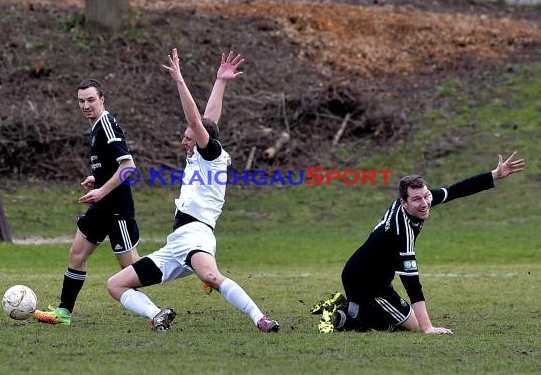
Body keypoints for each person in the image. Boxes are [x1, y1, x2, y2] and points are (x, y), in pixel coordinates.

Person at [106, 48, 280, 333]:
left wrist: (179, 80)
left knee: (211, 276)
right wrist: (220, 81)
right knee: (116, 284)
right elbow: (209, 118)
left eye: (188, 137)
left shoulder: (211, 155)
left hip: (197, 234)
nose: (184, 141)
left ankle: (260, 318)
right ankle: (156, 314)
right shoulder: (203, 153)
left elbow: (198, 122)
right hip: (176, 244)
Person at [312, 152, 525, 334]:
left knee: (406, 321)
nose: (424, 204)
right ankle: (344, 314)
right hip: (365, 280)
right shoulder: (401, 230)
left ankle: (352, 307)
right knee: (408, 325)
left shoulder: (421, 200)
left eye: (425, 196)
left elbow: (455, 190)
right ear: (404, 202)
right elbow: (412, 282)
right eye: (417, 199)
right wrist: (429, 327)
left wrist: (495, 175)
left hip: (366, 272)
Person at [34, 78, 141, 326]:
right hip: (100, 207)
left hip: (117, 210)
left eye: (91, 99)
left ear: (102, 100)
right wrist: (98, 178)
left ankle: (190, 272)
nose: (85, 105)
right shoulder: (96, 127)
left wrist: (102, 190)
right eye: (81, 101)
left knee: (135, 272)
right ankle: (64, 313)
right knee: (76, 255)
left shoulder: (107, 124)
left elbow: (128, 167)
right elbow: (113, 166)